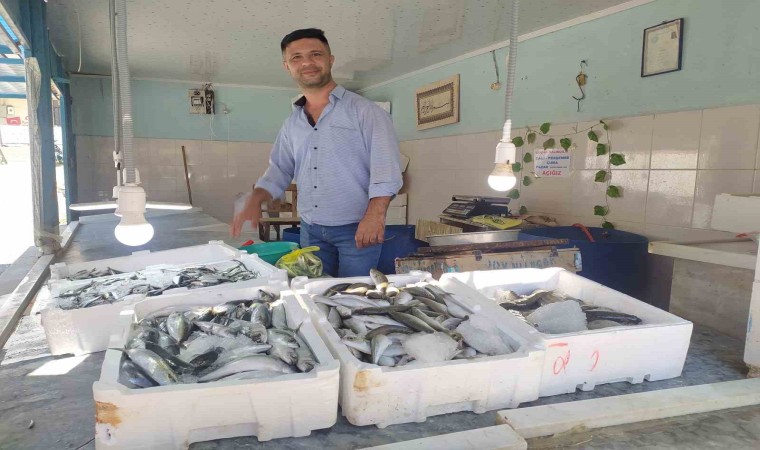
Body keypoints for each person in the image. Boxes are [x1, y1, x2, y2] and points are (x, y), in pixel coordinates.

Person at [231, 28, 403, 277]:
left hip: (356, 228)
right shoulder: (292, 123)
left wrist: (375, 216)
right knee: (313, 291)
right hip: (310, 229)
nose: (307, 63)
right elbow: (280, 168)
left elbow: (386, 168)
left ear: (330, 59)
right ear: (287, 66)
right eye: (296, 57)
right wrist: (256, 198)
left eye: (316, 54)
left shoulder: (366, 112)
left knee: (353, 294)